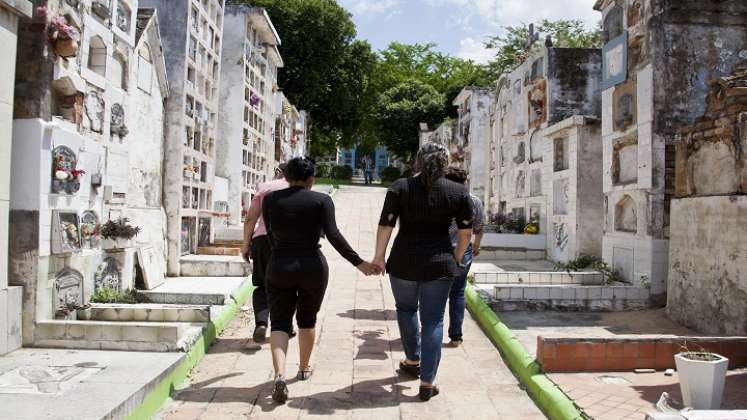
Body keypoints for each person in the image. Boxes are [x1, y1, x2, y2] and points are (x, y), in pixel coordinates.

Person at [262, 157, 380, 403]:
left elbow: (270, 232)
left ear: (285, 176)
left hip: (280, 264)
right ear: (312, 179)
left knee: (280, 323)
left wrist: (279, 254)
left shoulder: (271, 199)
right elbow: (334, 235)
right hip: (312, 266)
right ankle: (304, 368)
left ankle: (280, 376)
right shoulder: (321, 201)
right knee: (307, 319)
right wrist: (360, 264)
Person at [371, 143, 474, 402]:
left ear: (417, 161)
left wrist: (379, 257)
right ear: (446, 162)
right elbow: (465, 232)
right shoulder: (458, 191)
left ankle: (412, 359)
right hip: (440, 263)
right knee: (434, 321)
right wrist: (457, 257)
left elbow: (386, 224)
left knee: (406, 310)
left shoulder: (400, 187)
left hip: (403, 261)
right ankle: (428, 382)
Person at [242, 164, 291, 343]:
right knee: (287, 287)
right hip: (288, 244)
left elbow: (250, 219)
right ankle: (285, 326)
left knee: (262, 286)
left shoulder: (265, 188)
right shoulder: (299, 189)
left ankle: (261, 323)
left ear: (279, 172)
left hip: (262, 241)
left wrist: (246, 245)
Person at [443, 167, 484, 348]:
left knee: (434, 291)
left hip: (440, 250)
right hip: (464, 250)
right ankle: (456, 336)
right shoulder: (474, 200)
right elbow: (479, 226)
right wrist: (476, 245)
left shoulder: (440, 199)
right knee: (458, 292)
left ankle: (428, 330)